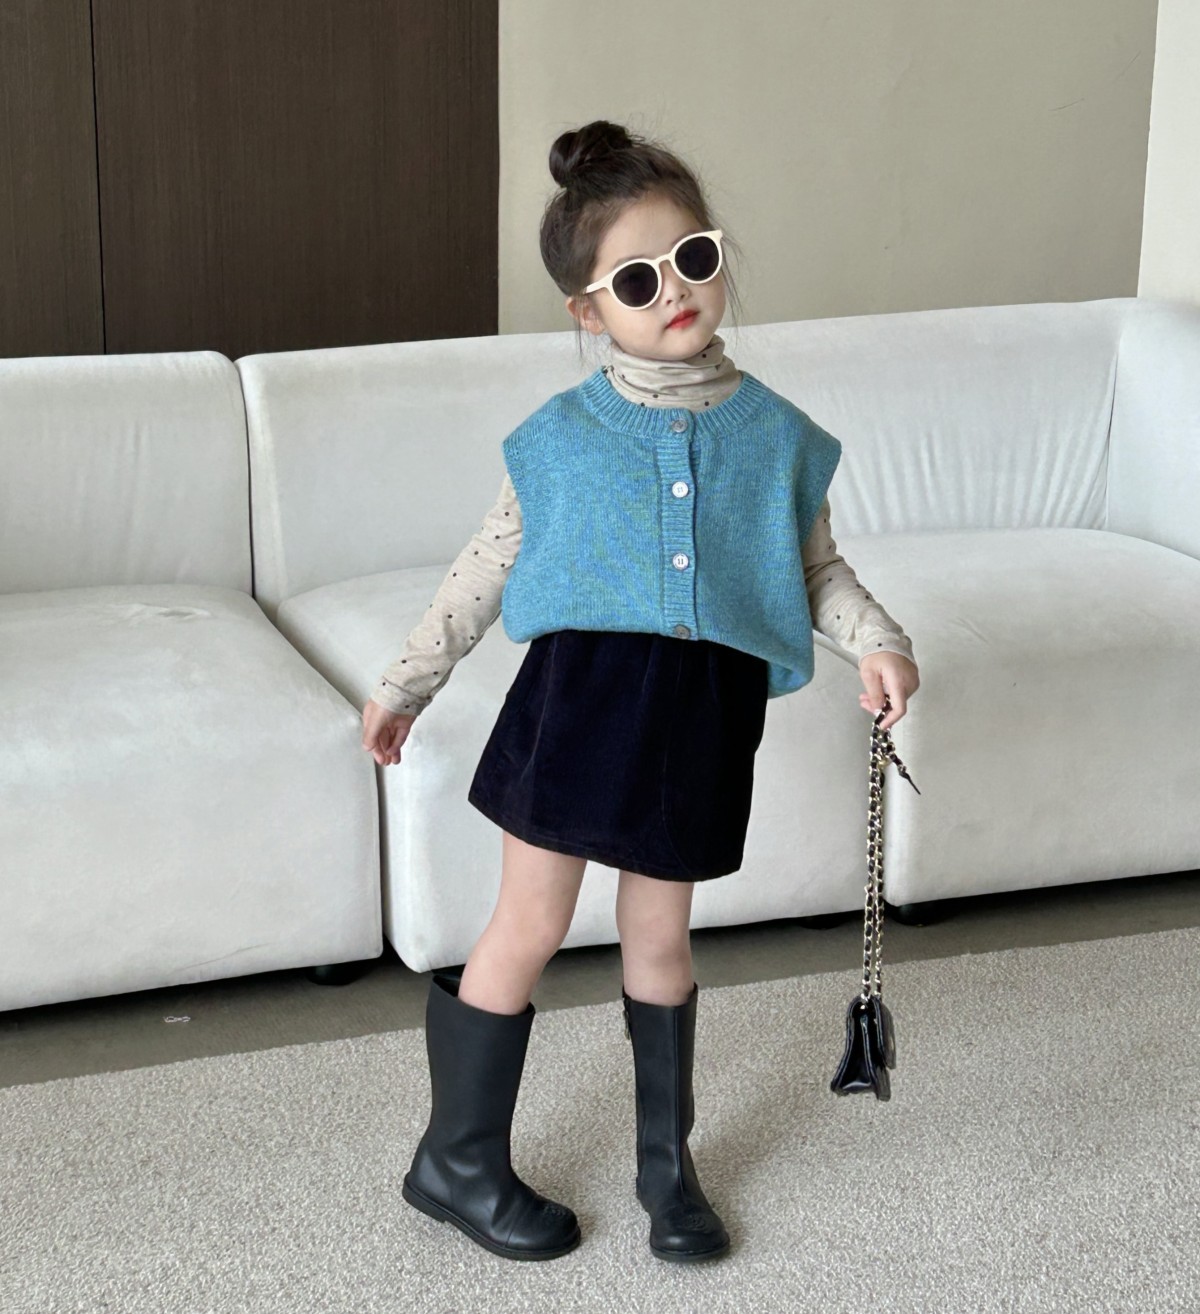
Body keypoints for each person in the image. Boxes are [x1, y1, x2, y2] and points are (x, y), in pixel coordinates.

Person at [361, 119, 921, 1265]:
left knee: (660, 938)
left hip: (699, 719)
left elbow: (814, 568)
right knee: (529, 923)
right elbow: (488, 566)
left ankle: (668, 1171)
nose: (674, 291)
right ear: (588, 311)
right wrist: (406, 684)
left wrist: (879, 642)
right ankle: (455, 1160)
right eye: (635, 279)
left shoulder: (777, 438)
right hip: (576, 709)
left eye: (693, 259)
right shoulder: (560, 439)